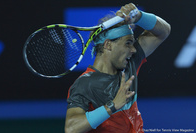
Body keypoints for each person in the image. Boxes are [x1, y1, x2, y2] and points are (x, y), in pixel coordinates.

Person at [65, 3, 171, 133]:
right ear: (108, 45)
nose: (133, 49)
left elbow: (164, 31)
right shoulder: (84, 83)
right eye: (128, 43)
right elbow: (71, 128)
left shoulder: (130, 63)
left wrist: (139, 17)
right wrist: (112, 106)